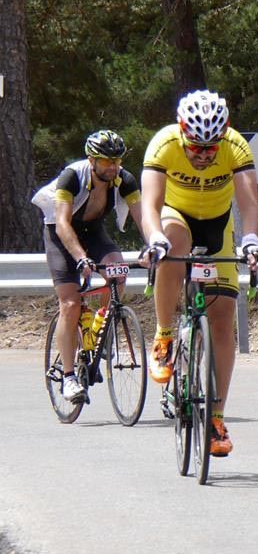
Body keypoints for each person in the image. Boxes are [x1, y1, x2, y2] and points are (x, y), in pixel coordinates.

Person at [140, 90, 258, 457]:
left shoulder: (235, 147)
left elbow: (249, 205)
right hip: (176, 216)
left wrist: (252, 241)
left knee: (223, 320)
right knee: (172, 242)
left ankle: (215, 418)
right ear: (182, 132)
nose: (203, 155)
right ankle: (165, 335)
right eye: (196, 147)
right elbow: (149, 205)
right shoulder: (163, 144)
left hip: (218, 225)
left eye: (211, 148)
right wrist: (155, 239)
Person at [31, 130, 149, 403]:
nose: (113, 167)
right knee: (70, 304)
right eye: (106, 161)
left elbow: (142, 218)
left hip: (93, 233)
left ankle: (99, 331)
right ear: (91, 160)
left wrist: (152, 246)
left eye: (117, 161)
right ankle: (70, 377)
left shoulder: (124, 180)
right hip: (61, 235)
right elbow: (62, 223)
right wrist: (81, 258)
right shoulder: (71, 176)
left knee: (117, 272)